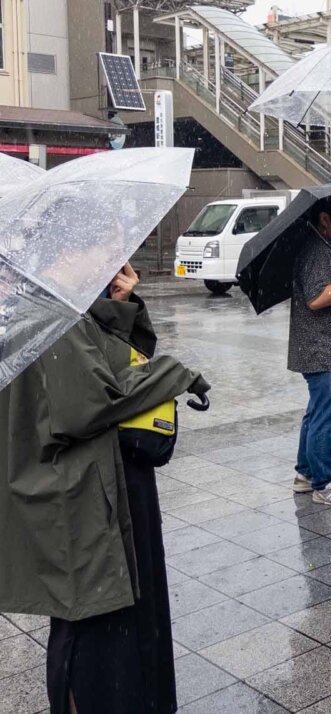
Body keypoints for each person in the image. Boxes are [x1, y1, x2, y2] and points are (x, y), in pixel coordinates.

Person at [0, 262, 208, 714]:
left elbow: (119, 361)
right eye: (103, 243)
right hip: (78, 492)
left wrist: (119, 305)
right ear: (65, 247)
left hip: (108, 483)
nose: (116, 258)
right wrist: (176, 375)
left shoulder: (70, 304)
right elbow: (89, 402)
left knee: (122, 619)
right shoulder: (47, 310)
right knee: (90, 624)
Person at [289, 194, 331, 506]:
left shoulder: (322, 246)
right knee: (329, 416)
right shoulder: (316, 250)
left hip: (318, 346)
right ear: (324, 219)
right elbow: (316, 297)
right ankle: (324, 483)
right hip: (321, 349)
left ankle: (305, 474)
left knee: (317, 413)